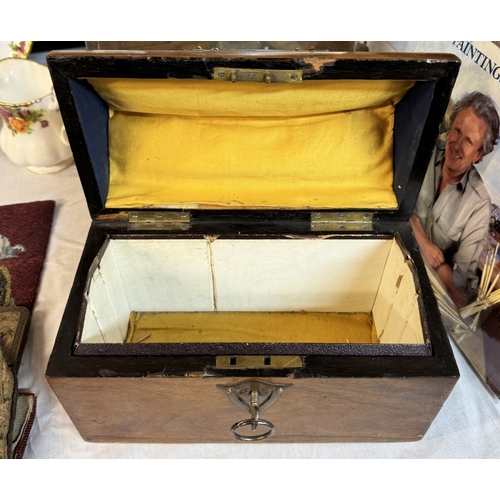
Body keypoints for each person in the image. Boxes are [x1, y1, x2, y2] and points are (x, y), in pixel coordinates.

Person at [411, 91, 500, 307]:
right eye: (456, 131)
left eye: (468, 141)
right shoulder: (424, 150)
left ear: (479, 154)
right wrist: (423, 241)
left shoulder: (478, 206)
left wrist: (440, 266)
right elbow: (390, 203)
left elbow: (460, 289)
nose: (456, 145)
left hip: (424, 291)